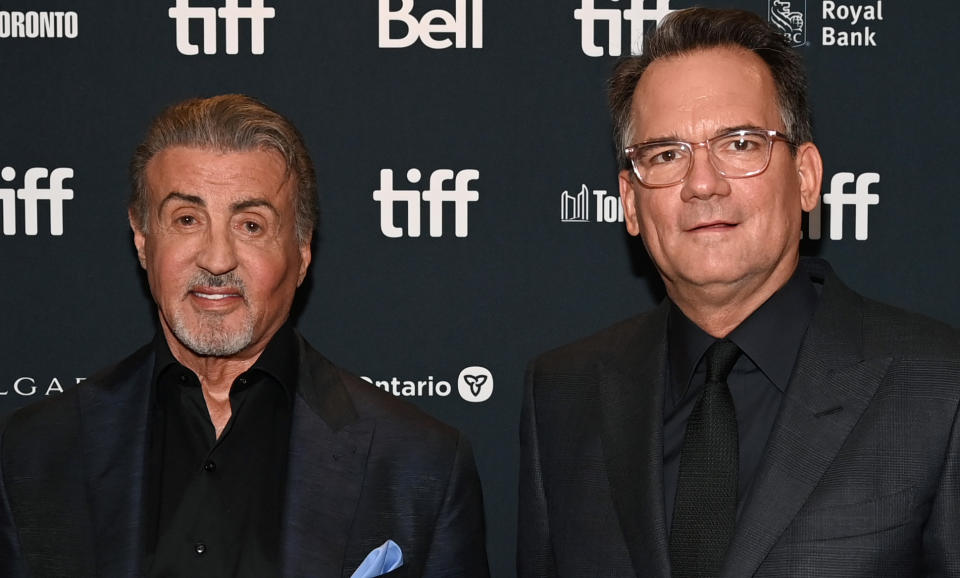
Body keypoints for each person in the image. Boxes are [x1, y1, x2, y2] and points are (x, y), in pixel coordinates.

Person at [518, 8, 960, 577]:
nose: (703, 184)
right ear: (630, 201)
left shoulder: (940, 389)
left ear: (805, 178)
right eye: (666, 155)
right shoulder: (561, 395)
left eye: (741, 143)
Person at [0, 94, 490, 578]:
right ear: (143, 240)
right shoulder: (35, 452)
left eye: (251, 225)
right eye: (187, 220)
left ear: (301, 252)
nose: (217, 259)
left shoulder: (417, 464)